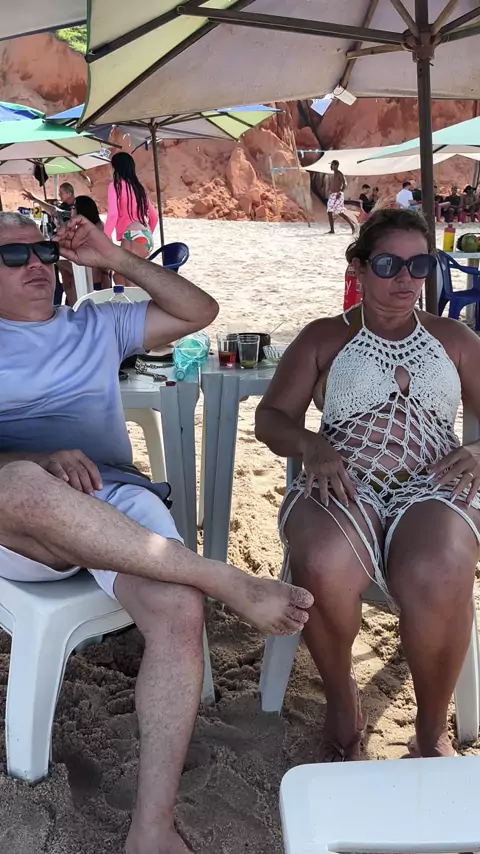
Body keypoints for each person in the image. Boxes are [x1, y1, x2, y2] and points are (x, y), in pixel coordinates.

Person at [0, 211, 313, 854]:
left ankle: (152, 827)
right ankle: (219, 577)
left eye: (43, 251)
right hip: (22, 521)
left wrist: (115, 258)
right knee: (20, 485)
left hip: (113, 495)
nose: (36, 264)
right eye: (13, 255)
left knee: (177, 611)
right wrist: (37, 459)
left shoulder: (95, 325)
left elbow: (200, 311)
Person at [256, 208, 480, 762]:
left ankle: (430, 730)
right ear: (358, 266)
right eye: (388, 264)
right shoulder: (325, 336)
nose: (405, 278)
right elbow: (271, 419)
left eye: (419, 265)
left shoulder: (454, 338)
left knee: (440, 566)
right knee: (321, 560)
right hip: (344, 479)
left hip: (433, 484)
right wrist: (310, 445)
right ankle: (341, 702)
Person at [105, 152, 159, 286]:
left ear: (116, 168)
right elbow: (154, 217)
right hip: (145, 235)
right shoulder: (138, 188)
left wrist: (104, 238)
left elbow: (113, 215)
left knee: (129, 281)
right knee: (119, 276)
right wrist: (145, 235)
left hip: (130, 235)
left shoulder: (115, 186)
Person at [75, 195, 111, 289]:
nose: (71, 211)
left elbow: (105, 257)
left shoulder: (96, 230)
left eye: (73, 208)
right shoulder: (92, 227)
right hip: (90, 279)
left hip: (95, 281)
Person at [326, 160, 356, 234]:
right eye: (331, 165)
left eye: (332, 165)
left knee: (339, 212)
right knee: (329, 212)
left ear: (336, 165)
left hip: (338, 195)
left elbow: (344, 184)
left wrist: (340, 192)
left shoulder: (339, 173)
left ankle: (352, 226)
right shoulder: (334, 174)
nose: (331, 166)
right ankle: (332, 230)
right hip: (333, 195)